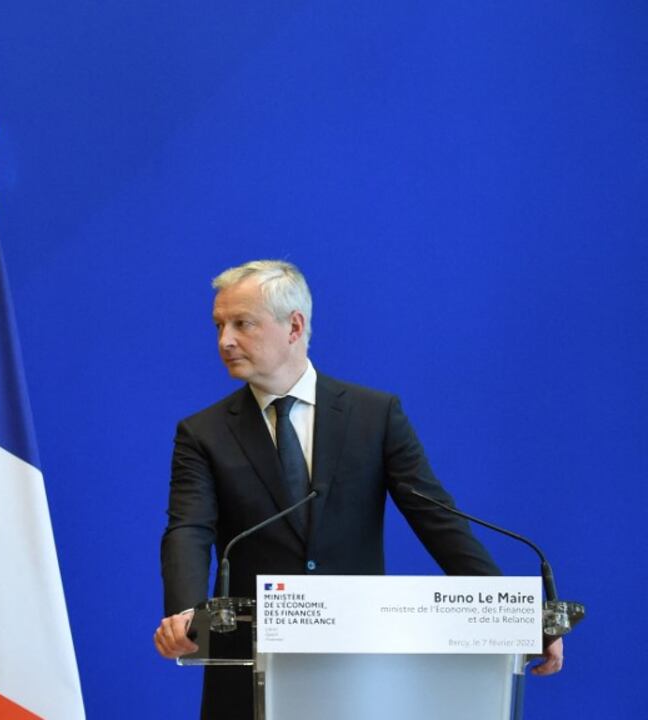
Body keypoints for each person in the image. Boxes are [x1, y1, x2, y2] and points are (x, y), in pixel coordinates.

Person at [153, 260, 562, 719]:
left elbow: (438, 520)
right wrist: (185, 612)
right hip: (249, 673)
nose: (224, 340)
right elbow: (188, 528)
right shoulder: (203, 433)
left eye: (242, 323)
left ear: (294, 326)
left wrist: (516, 620)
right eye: (219, 325)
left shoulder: (374, 416)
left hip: (356, 665)